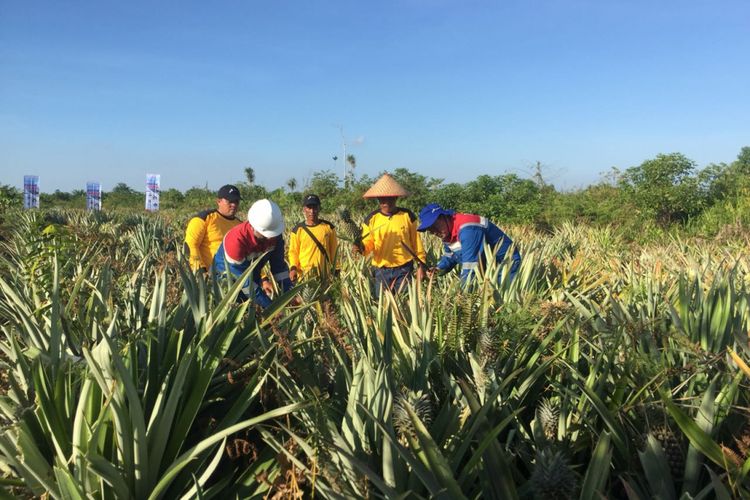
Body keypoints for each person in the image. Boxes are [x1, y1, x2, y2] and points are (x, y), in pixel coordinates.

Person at [355, 173, 426, 296]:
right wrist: (359, 247)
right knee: (383, 307)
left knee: (404, 304)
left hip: (404, 269)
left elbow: (416, 242)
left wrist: (421, 265)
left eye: (390, 198)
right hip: (381, 270)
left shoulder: (407, 216)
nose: (385, 202)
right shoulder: (371, 219)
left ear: (396, 198)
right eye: (382, 198)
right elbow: (368, 245)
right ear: (378, 199)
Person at [213, 199, 292, 308]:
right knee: (237, 307)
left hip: (252, 278)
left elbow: (279, 268)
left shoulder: (275, 235)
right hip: (228, 281)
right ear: (253, 225)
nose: (269, 237)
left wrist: (290, 293)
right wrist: (269, 307)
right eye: (265, 234)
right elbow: (243, 283)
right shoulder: (235, 240)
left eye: (272, 233)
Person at [417, 203, 521, 284]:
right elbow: (451, 255)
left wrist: (462, 299)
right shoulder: (446, 232)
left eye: (435, 226)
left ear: (443, 217)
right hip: (486, 268)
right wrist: (439, 268)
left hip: (505, 264)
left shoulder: (468, 229)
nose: (434, 231)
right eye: (429, 229)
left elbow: (470, 265)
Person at [184, 184, 242, 271]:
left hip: (235, 276)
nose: (233, 204)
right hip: (209, 276)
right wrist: (200, 270)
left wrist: (263, 278)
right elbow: (190, 245)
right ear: (218, 201)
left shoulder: (240, 225)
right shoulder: (203, 219)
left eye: (236, 201)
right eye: (230, 201)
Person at [287, 194, 338, 282]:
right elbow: (293, 252)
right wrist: (293, 268)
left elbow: (334, 250)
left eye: (315, 207)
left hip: (325, 275)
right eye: (309, 208)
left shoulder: (328, 227)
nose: (312, 211)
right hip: (304, 276)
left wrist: (337, 269)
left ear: (319, 208)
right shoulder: (297, 230)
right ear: (304, 209)